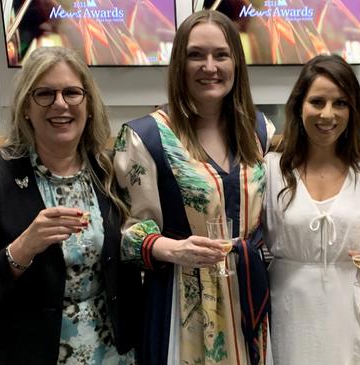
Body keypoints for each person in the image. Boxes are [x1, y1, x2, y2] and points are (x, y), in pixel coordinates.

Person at [0, 47, 143, 364]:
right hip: (28, 351)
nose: (60, 104)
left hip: (111, 350)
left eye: (72, 92)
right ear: (26, 106)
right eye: (44, 94)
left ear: (89, 105)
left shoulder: (109, 171)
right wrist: (22, 249)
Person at [113, 10, 274, 365]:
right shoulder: (146, 137)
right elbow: (126, 234)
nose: (209, 66)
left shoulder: (260, 130)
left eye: (221, 54)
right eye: (195, 55)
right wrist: (172, 249)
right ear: (179, 65)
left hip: (247, 289)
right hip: (183, 296)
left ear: (236, 62)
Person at [262, 54, 360, 365]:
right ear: (299, 106)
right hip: (289, 305)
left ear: (353, 110)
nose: (328, 114)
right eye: (317, 102)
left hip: (351, 304)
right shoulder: (271, 169)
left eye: (340, 104)